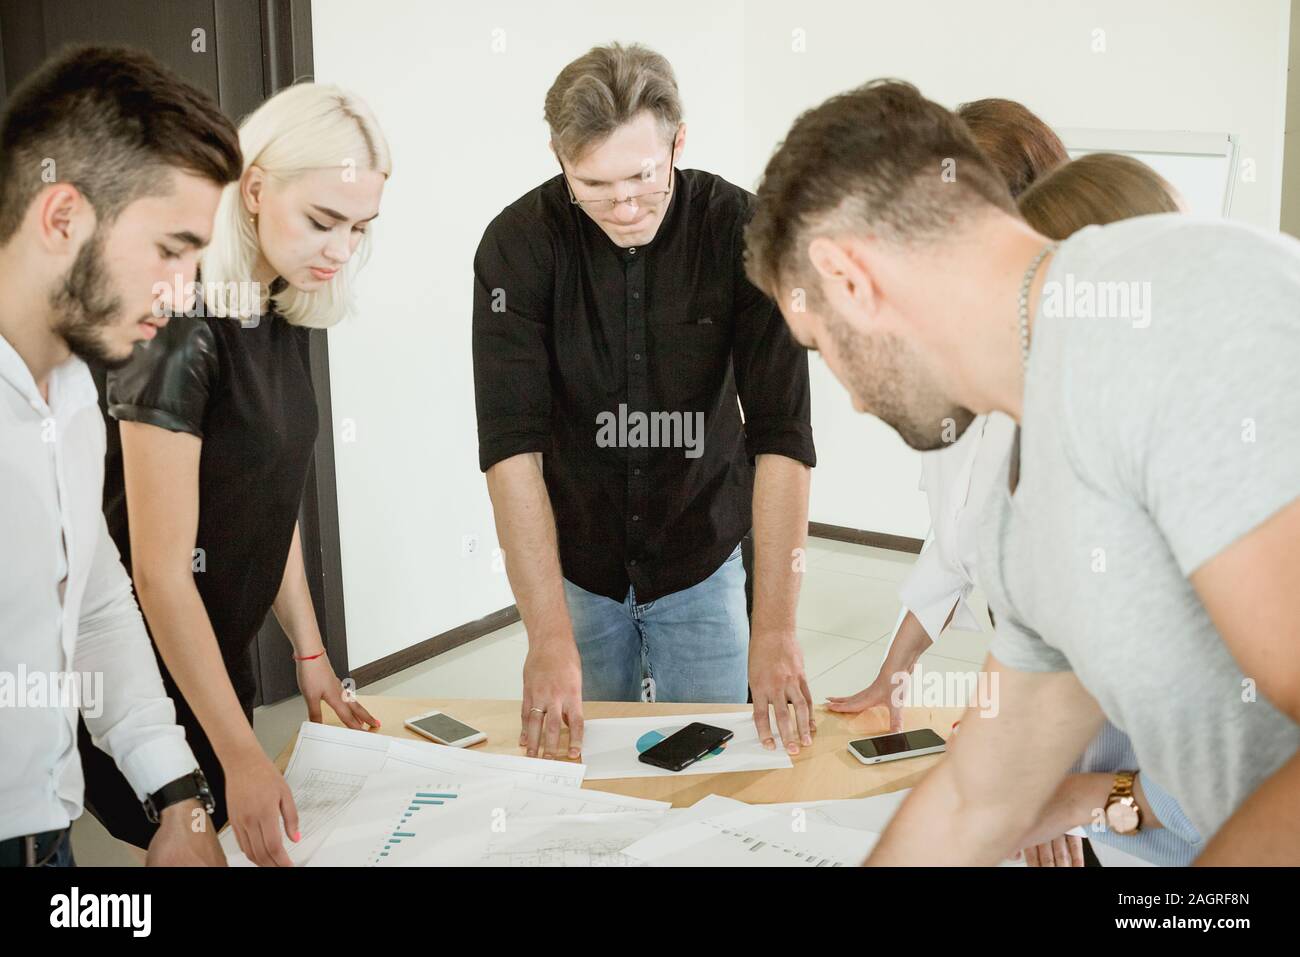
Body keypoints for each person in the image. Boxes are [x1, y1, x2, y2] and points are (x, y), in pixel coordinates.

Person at [744, 79, 1300, 864]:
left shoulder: (1169, 319)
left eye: (819, 345)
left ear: (848, 278)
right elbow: (981, 796)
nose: (855, 401)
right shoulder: (1018, 499)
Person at [473, 43, 817, 763]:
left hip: (703, 553)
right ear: (558, 158)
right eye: (594, 184)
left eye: (642, 176)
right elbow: (512, 454)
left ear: (678, 143)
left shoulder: (744, 233)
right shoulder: (517, 248)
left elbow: (782, 435)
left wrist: (776, 630)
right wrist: (545, 635)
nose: (625, 205)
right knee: (591, 784)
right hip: (578, 567)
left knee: (717, 777)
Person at [78, 82, 391, 867]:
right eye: (323, 220)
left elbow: (266, 493)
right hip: (141, 676)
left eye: (360, 227)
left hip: (221, 655)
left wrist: (310, 655)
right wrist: (242, 756)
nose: (340, 248)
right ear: (253, 188)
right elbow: (158, 571)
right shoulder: (175, 327)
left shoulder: (281, 306)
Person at [0, 45, 242, 867]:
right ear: (62, 216)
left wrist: (178, 793)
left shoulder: (73, 390)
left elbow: (97, 598)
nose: (184, 292)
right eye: (170, 250)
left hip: (46, 832)